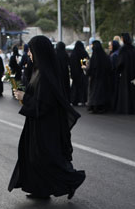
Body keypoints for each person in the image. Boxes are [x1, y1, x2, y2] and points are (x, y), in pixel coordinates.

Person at [9, 36, 86, 200]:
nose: (29, 53)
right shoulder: (38, 70)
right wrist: (22, 94)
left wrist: (25, 97)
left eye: (31, 50)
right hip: (36, 122)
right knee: (33, 156)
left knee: (45, 158)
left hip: (46, 125)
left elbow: (45, 103)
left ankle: (73, 179)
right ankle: (40, 189)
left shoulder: (45, 75)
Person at [114, 33, 135, 114]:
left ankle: (125, 108)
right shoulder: (133, 49)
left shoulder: (123, 50)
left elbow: (120, 62)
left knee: (125, 92)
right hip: (133, 73)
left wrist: (117, 70)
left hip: (125, 74)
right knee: (133, 91)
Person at [84, 41, 112, 113]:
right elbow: (109, 67)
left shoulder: (93, 58)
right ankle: (102, 107)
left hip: (95, 79)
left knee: (94, 93)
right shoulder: (105, 57)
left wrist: (86, 69)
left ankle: (94, 107)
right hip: (104, 79)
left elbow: (90, 70)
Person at [69, 40, 88, 106]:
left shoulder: (73, 54)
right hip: (81, 73)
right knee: (82, 87)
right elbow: (84, 63)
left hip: (74, 73)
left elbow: (71, 63)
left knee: (75, 87)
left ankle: (74, 100)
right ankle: (83, 100)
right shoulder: (83, 53)